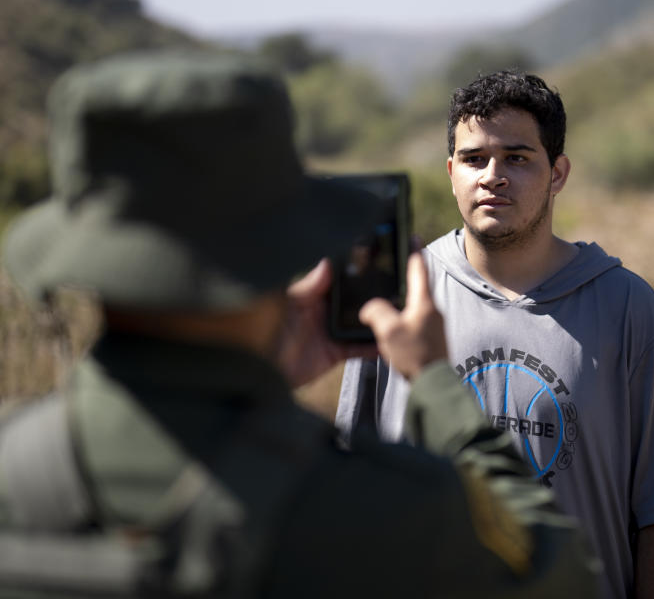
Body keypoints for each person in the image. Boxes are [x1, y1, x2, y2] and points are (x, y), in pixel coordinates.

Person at [0, 52, 598, 598]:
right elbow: (557, 569)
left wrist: (254, 379)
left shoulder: (15, 460)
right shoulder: (380, 505)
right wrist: (438, 385)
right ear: (283, 251)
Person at [337, 70, 654, 599]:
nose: (492, 176)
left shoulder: (630, 309)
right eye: (473, 159)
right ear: (450, 172)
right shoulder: (400, 295)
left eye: (517, 157)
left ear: (557, 173)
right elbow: (350, 485)